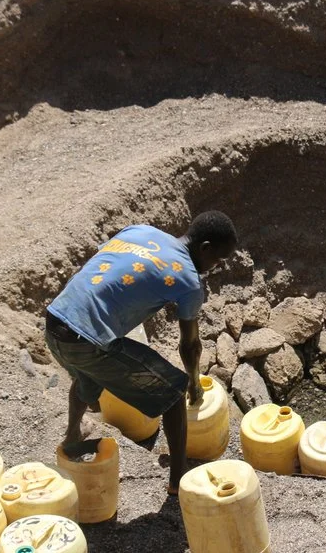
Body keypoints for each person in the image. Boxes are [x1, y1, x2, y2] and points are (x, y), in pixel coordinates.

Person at [44, 211, 237, 494]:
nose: (215, 266)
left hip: (55, 321)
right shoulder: (189, 280)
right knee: (173, 391)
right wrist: (194, 383)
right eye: (218, 259)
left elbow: (111, 271)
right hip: (85, 341)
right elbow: (190, 345)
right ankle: (179, 478)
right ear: (205, 248)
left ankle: (72, 437)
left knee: (89, 374)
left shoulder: (139, 231)